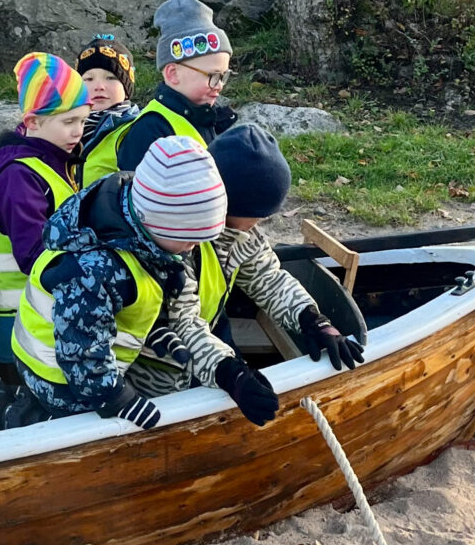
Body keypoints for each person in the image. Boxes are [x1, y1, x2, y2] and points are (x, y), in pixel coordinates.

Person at [8, 136, 279, 430]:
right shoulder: (95, 270)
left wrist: (157, 330)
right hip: (54, 371)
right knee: (82, 427)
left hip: (89, 356)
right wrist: (118, 398)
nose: (192, 249)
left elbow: (142, 299)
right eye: (188, 238)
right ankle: (15, 416)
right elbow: (81, 349)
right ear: (157, 221)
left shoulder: (145, 237)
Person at [128, 124, 363, 397]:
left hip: (202, 354)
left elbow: (268, 278)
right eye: (259, 213)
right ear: (232, 204)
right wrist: (231, 373)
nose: (261, 221)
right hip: (153, 374)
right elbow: (183, 323)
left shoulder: (241, 233)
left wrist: (312, 320)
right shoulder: (177, 242)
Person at [0, 53, 89, 374]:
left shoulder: (55, 164)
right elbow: (34, 254)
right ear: (32, 122)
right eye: (68, 122)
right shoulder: (19, 175)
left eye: (82, 120)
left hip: (43, 315)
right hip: (23, 322)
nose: (78, 131)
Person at [82, 0, 237, 185]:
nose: (219, 85)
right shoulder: (149, 129)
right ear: (172, 74)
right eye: (212, 76)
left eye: (223, 76)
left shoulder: (204, 117)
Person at [74, 33, 138, 173]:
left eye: (110, 78)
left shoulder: (136, 130)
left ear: (126, 89)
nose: (99, 86)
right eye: (88, 79)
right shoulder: (62, 129)